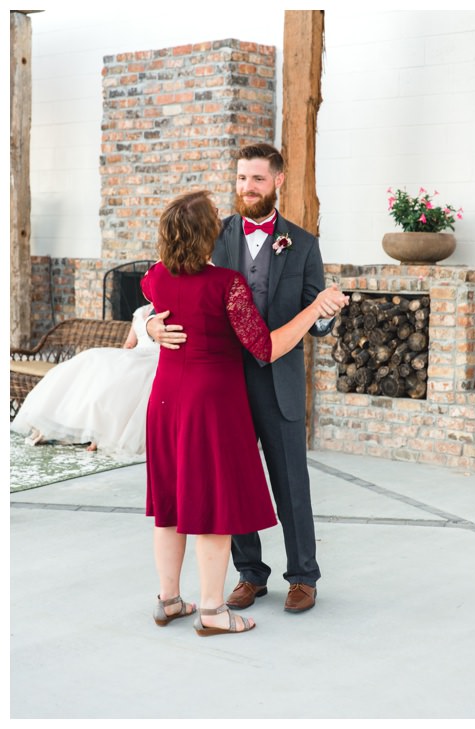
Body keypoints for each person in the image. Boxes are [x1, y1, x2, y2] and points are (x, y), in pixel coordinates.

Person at [142, 191, 347, 635]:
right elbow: (266, 346)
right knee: (213, 507)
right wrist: (316, 308)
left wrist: (151, 321)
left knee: (170, 508)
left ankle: (170, 601)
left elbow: (149, 294)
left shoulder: (156, 276)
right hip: (209, 401)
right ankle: (214, 612)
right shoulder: (225, 285)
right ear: (204, 235)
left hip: (164, 402)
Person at [11, 304, 160, 457]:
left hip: (155, 357)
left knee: (123, 377)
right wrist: (121, 358)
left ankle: (101, 434)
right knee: (92, 358)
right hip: (135, 354)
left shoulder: (166, 309)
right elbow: (129, 344)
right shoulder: (140, 312)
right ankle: (54, 423)